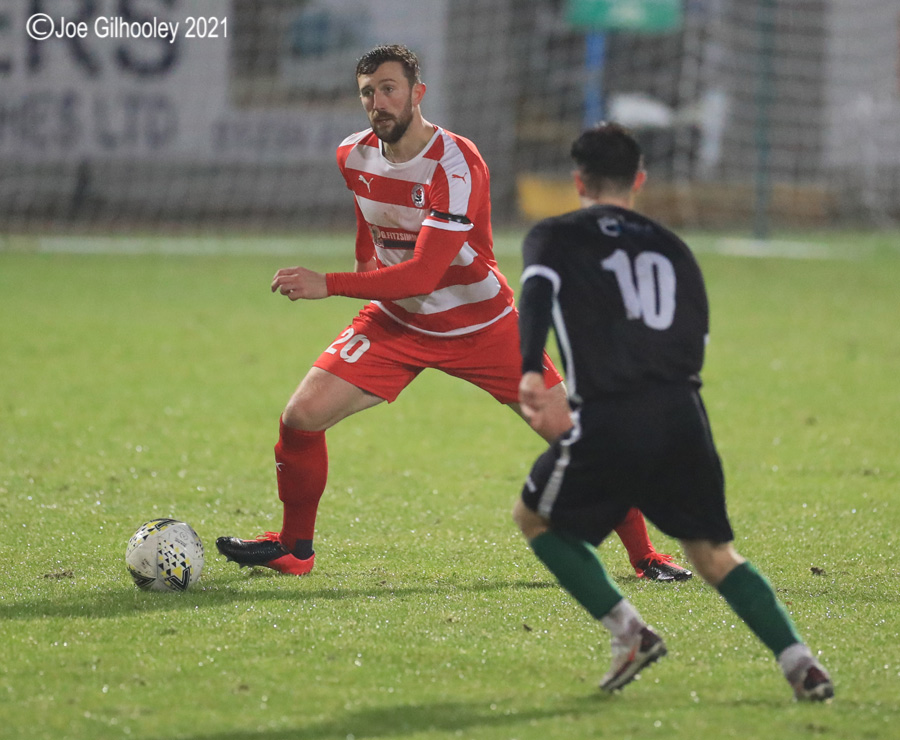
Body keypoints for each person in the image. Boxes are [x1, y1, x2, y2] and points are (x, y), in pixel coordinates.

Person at [215, 44, 690, 582]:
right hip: (396, 323)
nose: (378, 102)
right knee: (300, 417)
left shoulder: (456, 163)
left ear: (418, 93)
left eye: (389, 89)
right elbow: (371, 228)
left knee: (573, 438)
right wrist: (366, 273)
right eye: (368, 92)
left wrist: (329, 284)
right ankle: (295, 548)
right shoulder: (352, 154)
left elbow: (424, 274)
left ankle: (645, 555)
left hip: (482, 328)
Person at [512, 122, 834, 701]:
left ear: (577, 180)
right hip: (684, 412)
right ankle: (800, 662)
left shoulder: (555, 236)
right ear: (638, 179)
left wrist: (532, 368)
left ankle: (629, 631)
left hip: (609, 416)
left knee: (535, 518)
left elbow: (534, 294)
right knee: (713, 555)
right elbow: (696, 341)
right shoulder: (673, 246)